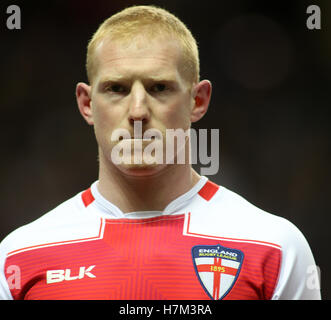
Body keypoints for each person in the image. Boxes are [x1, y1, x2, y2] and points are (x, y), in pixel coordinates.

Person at [0, 5, 321, 300]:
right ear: (87, 104)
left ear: (198, 101)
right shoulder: (21, 256)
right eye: (117, 89)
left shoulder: (275, 248)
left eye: (159, 88)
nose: (137, 111)